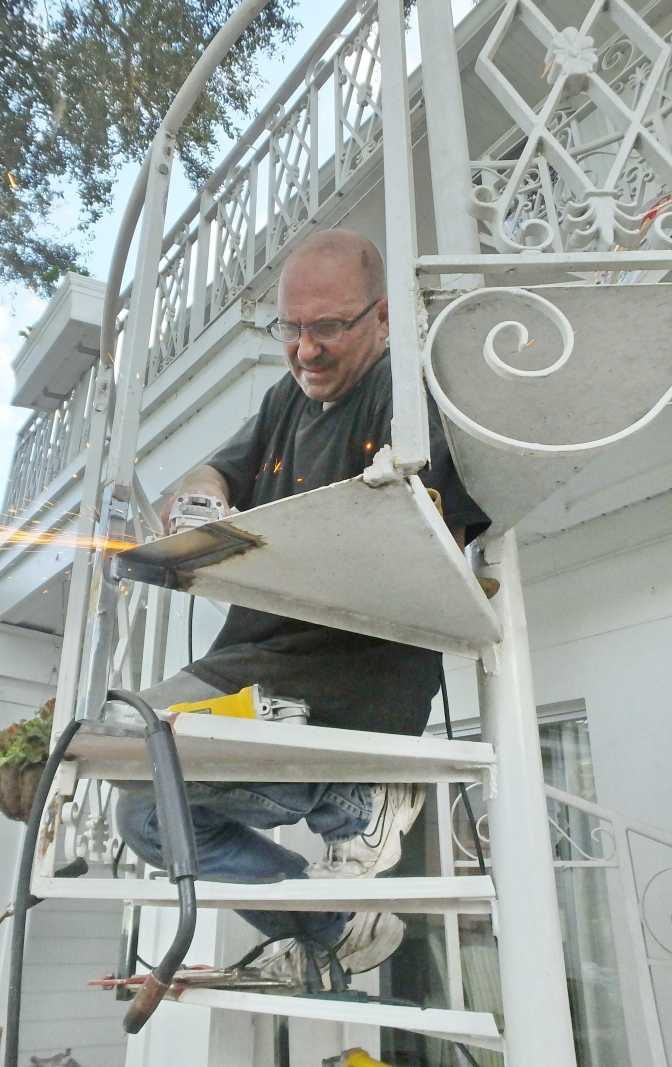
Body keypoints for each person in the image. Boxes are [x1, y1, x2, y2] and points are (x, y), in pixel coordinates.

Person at [116, 229, 489, 987]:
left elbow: (438, 545)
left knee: (152, 767)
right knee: (138, 798)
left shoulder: (409, 391)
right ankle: (337, 927)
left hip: (352, 672)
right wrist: (202, 499)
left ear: (381, 318)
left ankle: (355, 795)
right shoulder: (284, 397)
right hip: (252, 657)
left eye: (328, 327)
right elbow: (216, 466)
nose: (305, 351)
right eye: (291, 328)